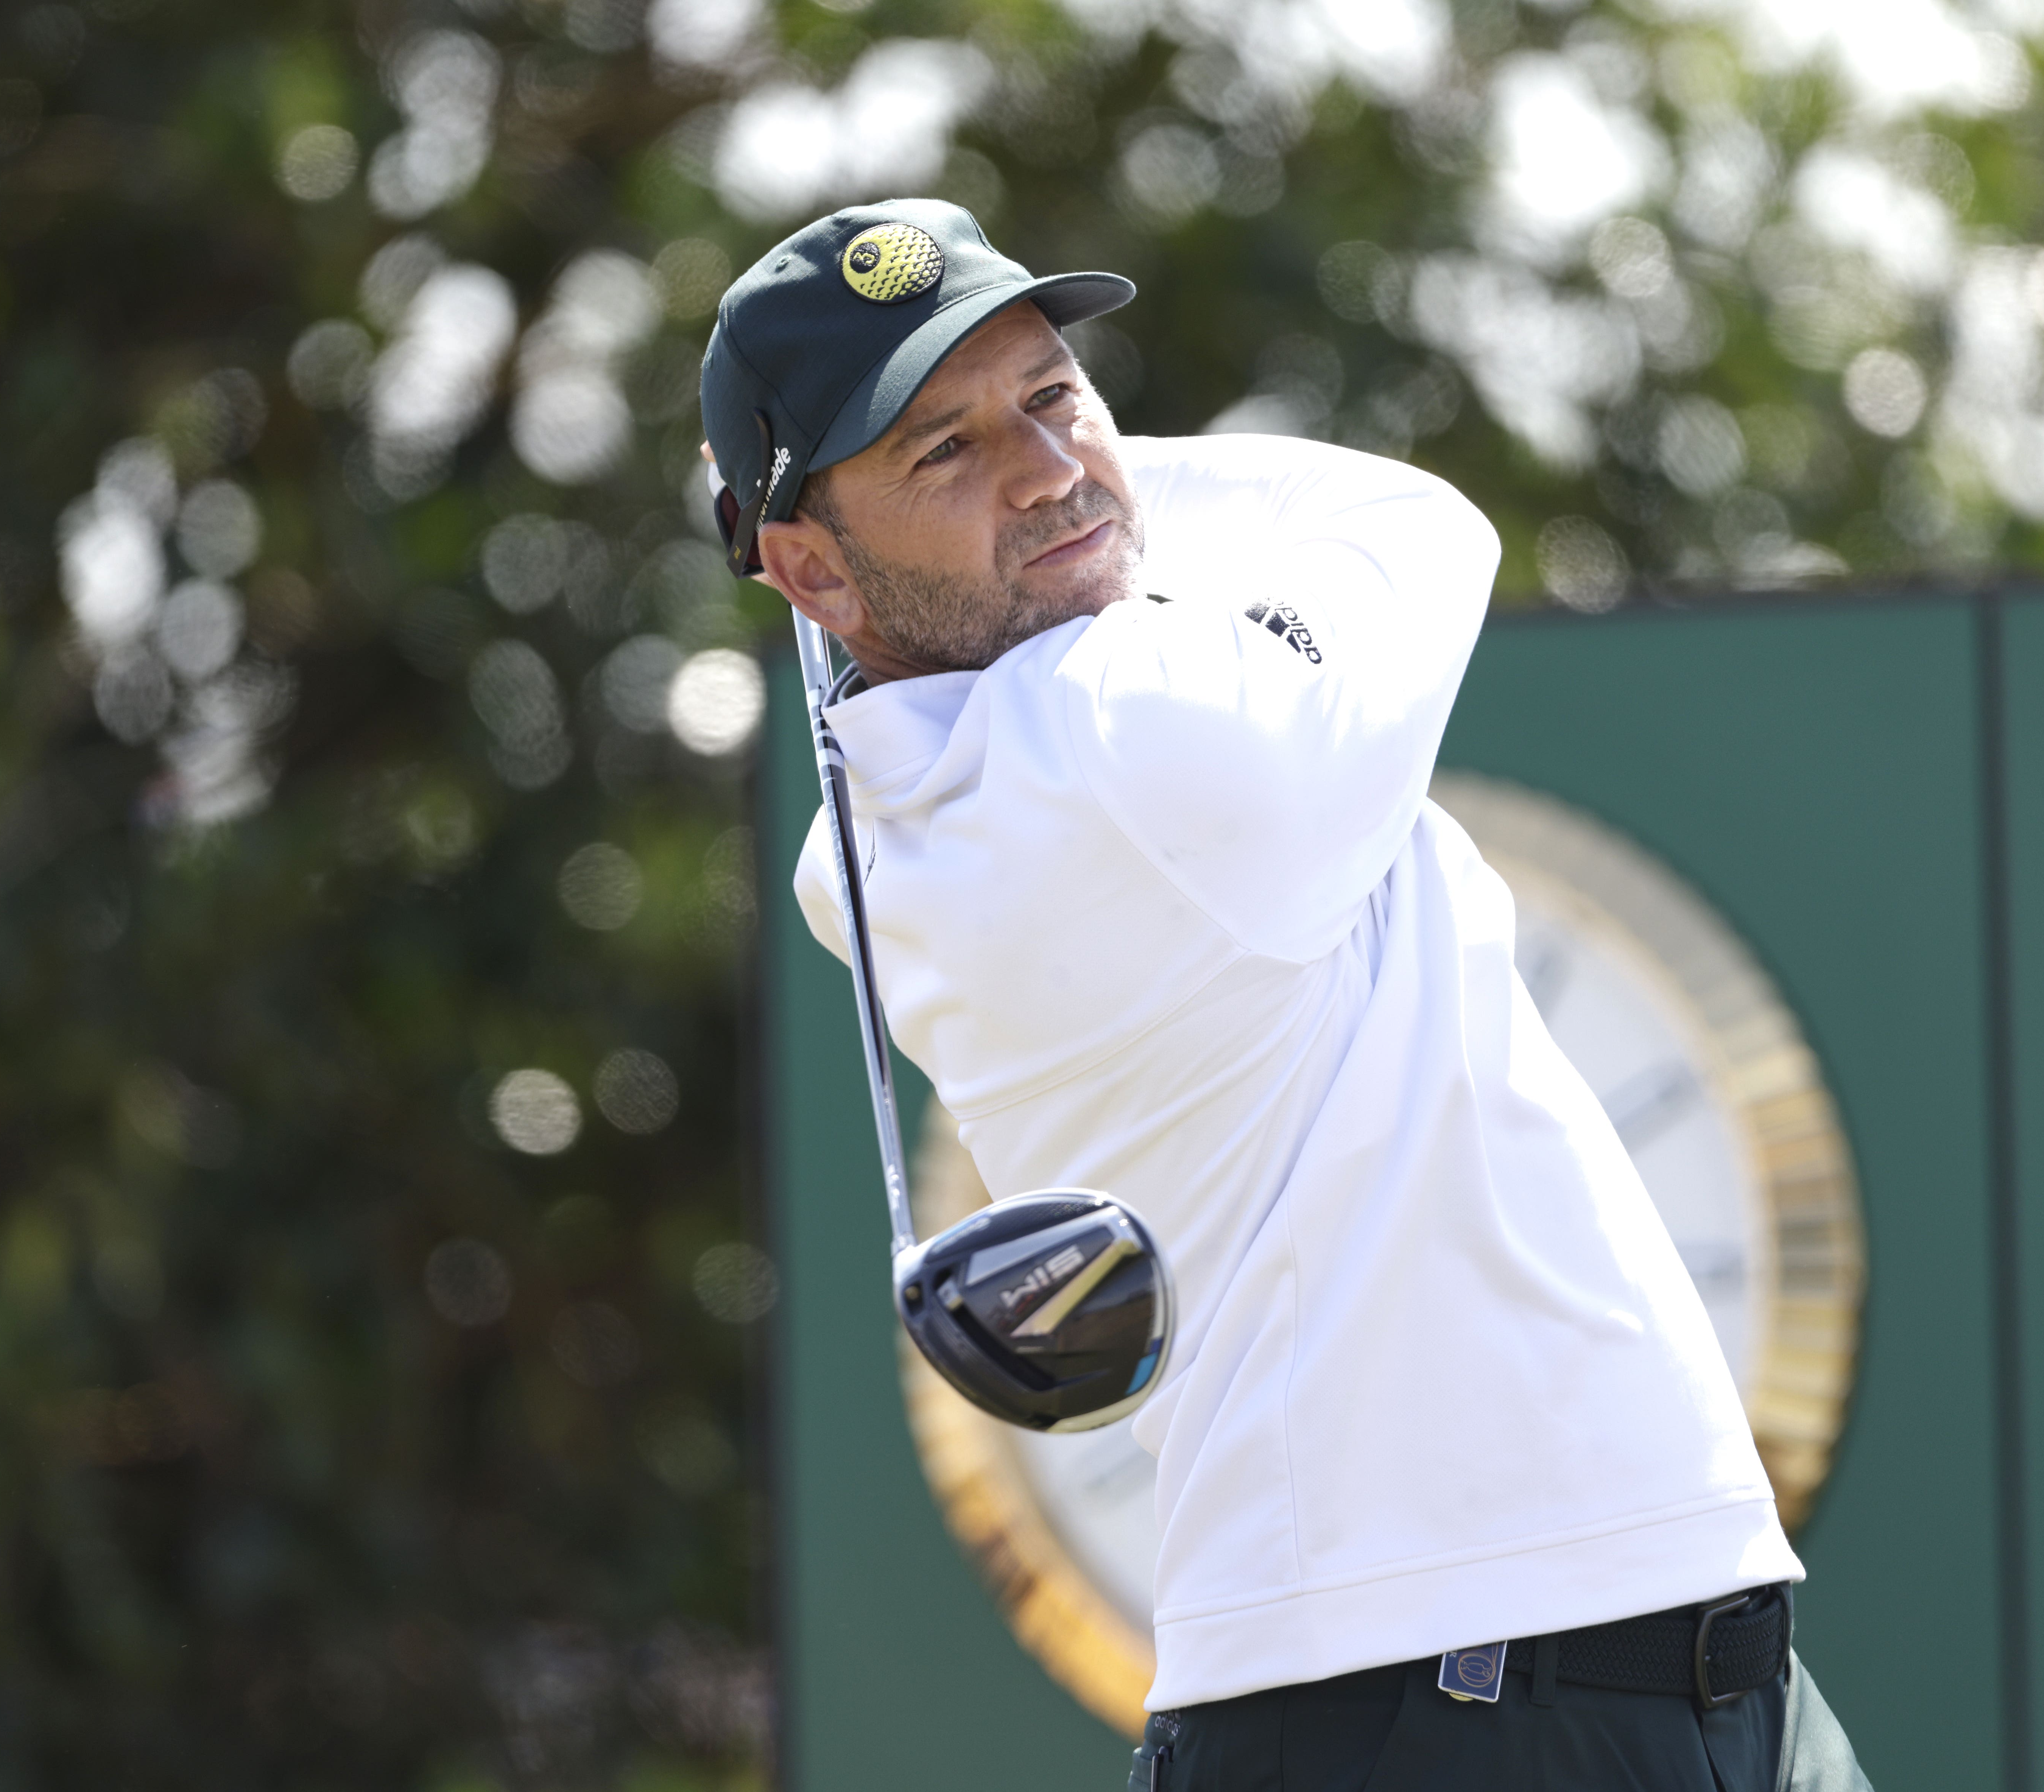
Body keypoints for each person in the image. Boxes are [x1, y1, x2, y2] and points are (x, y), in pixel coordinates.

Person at [699, 198, 1874, 1791]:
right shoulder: (1132, 730)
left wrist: (1034, 502)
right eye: (942, 452)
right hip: (1457, 1701)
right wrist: (1118, 493)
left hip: (1585, 1671)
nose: (1045, 468)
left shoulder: (901, 825)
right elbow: (1413, 523)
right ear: (808, 566)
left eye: (1054, 397)